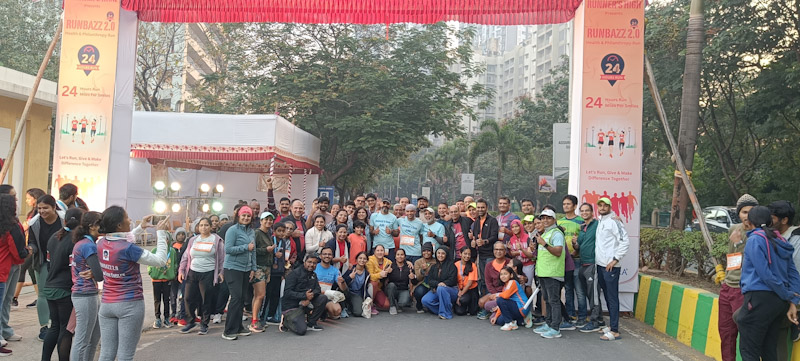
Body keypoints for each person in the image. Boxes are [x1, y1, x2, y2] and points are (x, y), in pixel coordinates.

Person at [97, 207, 169, 361]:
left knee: (106, 353)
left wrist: (140, 227)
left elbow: (121, 238)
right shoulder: (129, 249)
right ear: (118, 225)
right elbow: (160, 261)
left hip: (107, 305)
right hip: (129, 304)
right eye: (127, 218)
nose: (130, 220)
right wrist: (161, 234)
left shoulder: (101, 243)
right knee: (125, 355)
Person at [735, 206, 800, 361]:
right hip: (779, 303)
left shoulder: (755, 240)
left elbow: (765, 274)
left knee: (749, 350)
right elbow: (793, 274)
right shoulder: (781, 240)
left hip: (759, 298)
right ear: (770, 221)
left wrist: (786, 294)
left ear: (750, 222)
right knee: (769, 349)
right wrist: (792, 300)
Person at [714, 194, 757, 361]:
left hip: (744, 289)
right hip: (728, 287)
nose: (747, 216)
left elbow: (754, 260)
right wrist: (725, 277)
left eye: (751, 212)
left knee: (745, 333)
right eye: (744, 212)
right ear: (739, 213)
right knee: (726, 332)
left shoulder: (759, 232)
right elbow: (733, 257)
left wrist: (739, 244)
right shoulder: (734, 229)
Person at [42, 208, 82, 361]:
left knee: (54, 327)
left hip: (50, 286)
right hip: (65, 289)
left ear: (65, 220)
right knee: (66, 330)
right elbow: (75, 268)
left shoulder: (54, 236)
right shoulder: (76, 240)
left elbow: (48, 264)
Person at [28, 195, 63, 341]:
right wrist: (31, 249)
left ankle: (61, 325)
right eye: (39, 208)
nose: (42, 211)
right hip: (42, 261)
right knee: (43, 294)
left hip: (62, 262)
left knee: (62, 293)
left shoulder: (64, 220)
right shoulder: (34, 223)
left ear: (54, 207)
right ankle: (44, 327)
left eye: (46, 208)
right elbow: (33, 242)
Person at [594, 197, 629, 340]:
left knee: (612, 297)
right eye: (600, 205)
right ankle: (611, 326)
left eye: (605, 205)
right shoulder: (601, 221)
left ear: (610, 206)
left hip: (611, 267)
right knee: (607, 296)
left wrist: (615, 259)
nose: (602, 208)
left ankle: (615, 330)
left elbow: (625, 241)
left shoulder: (615, 222)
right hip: (601, 265)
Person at [70, 211, 102, 361]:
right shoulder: (88, 246)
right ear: (93, 226)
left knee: (93, 337)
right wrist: (97, 272)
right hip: (85, 294)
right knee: (82, 340)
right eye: (101, 224)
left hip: (87, 293)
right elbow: (99, 274)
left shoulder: (82, 243)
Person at [222, 206, 257, 340]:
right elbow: (228, 249)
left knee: (242, 298)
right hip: (233, 268)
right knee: (236, 298)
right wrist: (245, 247)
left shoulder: (251, 232)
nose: (246, 218)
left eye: (248, 216)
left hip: (246, 269)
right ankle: (229, 330)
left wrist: (253, 268)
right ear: (238, 216)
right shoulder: (232, 230)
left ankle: (238, 327)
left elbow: (253, 251)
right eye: (243, 216)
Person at [532, 208, 566, 339]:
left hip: (553, 273)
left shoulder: (556, 233)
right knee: (547, 299)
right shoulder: (546, 233)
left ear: (554, 220)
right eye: (543, 218)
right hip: (544, 272)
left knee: (554, 300)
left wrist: (544, 244)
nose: (545, 220)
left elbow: (558, 251)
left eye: (548, 218)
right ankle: (549, 323)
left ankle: (555, 327)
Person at [0, 194, 25, 356]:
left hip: (8, 267)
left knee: (6, 300)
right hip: (5, 268)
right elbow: (15, 249)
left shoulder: (8, 224)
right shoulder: (8, 225)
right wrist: (25, 254)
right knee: (3, 301)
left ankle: (4, 329)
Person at [574, 203, 604, 333]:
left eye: (587, 210)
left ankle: (595, 321)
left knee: (594, 294)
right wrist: (575, 244)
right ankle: (600, 320)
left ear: (592, 212)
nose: (584, 213)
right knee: (589, 293)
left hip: (593, 263)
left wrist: (616, 218)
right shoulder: (582, 227)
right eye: (582, 211)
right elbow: (579, 247)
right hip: (582, 263)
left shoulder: (598, 224)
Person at [281, 254, 327, 334]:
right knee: (301, 331)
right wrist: (304, 296)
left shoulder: (313, 275)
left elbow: (318, 289)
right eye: (309, 262)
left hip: (306, 302)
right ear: (304, 262)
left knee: (322, 298)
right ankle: (286, 321)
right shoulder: (294, 274)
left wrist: (310, 296)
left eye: (314, 263)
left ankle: (311, 323)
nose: (312, 265)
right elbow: (287, 293)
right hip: (292, 305)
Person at [559, 194, 586, 326]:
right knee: (568, 289)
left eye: (568, 204)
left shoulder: (582, 221)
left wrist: (577, 250)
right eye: (564, 204)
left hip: (577, 259)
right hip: (564, 261)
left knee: (579, 290)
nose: (566, 206)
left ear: (575, 206)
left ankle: (582, 316)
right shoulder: (559, 222)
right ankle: (570, 315)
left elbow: (584, 240)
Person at [148, 225, 179, 329]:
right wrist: (151, 273)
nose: (164, 241)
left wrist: (173, 274)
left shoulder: (172, 251)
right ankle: (157, 318)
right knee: (157, 299)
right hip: (156, 279)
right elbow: (150, 264)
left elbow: (174, 264)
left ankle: (166, 318)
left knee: (167, 299)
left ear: (169, 239)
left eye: (166, 239)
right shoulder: (154, 250)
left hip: (167, 279)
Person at [250, 212, 275, 332]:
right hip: (258, 266)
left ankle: (256, 319)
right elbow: (253, 250)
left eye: (270, 220)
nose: (268, 222)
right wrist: (266, 250)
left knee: (258, 295)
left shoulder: (268, 233)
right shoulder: (257, 233)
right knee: (260, 295)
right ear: (261, 221)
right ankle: (254, 321)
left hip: (266, 267)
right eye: (266, 220)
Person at [264, 222, 291, 325]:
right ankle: (263, 315)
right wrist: (274, 254)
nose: (281, 233)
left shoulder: (283, 242)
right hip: (270, 271)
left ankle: (271, 315)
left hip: (279, 272)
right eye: (278, 231)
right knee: (267, 293)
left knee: (276, 294)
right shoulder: (271, 240)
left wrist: (283, 270)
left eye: (283, 231)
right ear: (274, 231)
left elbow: (283, 257)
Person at [421, 246, 458, 319]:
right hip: (437, 289)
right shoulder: (434, 267)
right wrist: (437, 284)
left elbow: (452, 279)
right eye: (438, 253)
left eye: (443, 253)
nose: (440, 255)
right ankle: (445, 309)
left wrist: (444, 283)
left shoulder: (451, 266)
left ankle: (446, 314)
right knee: (425, 300)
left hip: (451, 290)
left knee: (441, 288)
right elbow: (430, 281)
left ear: (446, 255)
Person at [471, 199, 499, 298]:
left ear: (486, 208)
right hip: (480, 254)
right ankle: (484, 302)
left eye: (482, 207)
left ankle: (490, 302)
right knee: (482, 279)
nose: (480, 209)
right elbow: (475, 236)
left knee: (489, 279)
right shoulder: (476, 221)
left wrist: (484, 241)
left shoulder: (492, 220)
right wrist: (473, 241)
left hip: (490, 254)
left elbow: (494, 236)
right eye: (478, 207)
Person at [477, 242, 510, 320]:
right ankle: (493, 310)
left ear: (505, 252)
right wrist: (495, 295)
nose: (498, 252)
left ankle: (497, 310)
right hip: (494, 292)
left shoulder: (509, 263)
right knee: (481, 302)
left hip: (507, 293)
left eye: (501, 250)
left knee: (491, 304)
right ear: (493, 251)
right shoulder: (489, 265)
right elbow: (488, 283)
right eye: (496, 249)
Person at [491, 266, 530, 331]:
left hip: (522, 307)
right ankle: (520, 321)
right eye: (501, 274)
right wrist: (496, 316)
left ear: (511, 275)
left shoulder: (513, 282)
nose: (503, 276)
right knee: (499, 321)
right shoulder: (505, 287)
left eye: (505, 274)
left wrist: (497, 294)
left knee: (500, 299)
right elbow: (502, 304)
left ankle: (510, 323)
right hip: (515, 308)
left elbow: (505, 297)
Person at [314, 247, 347, 319]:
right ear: (320, 256)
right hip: (314, 295)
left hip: (327, 296)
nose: (327, 256)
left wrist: (343, 282)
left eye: (329, 254)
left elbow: (343, 288)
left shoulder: (335, 270)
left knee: (337, 311)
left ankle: (325, 310)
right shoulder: (314, 267)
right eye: (324, 254)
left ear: (332, 256)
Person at [507, 219, 534, 295]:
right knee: (519, 284)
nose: (515, 229)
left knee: (527, 285)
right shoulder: (512, 239)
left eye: (516, 226)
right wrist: (511, 250)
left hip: (528, 264)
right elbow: (512, 254)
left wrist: (518, 252)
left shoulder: (528, 237)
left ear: (521, 227)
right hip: (518, 265)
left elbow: (530, 254)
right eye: (513, 227)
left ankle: (529, 305)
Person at [169, 228, 188, 326]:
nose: (181, 236)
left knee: (182, 296)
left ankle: (181, 314)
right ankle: (173, 314)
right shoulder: (171, 247)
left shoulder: (187, 246)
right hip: (173, 276)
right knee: (173, 296)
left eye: (183, 234)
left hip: (182, 275)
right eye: (179, 234)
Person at [366, 245, 393, 313]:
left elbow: (396, 263)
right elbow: (370, 276)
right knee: (374, 282)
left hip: (379, 288)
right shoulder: (370, 260)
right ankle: (370, 305)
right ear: (374, 252)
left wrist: (407, 262)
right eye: (378, 250)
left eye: (381, 250)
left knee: (387, 305)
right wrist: (380, 274)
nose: (380, 252)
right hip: (370, 286)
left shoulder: (388, 262)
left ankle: (375, 302)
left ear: (384, 252)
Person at [385, 248, 413, 315]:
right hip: (392, 289)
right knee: (391, 285)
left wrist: (413, 277)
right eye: (398, 255)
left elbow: (414, 281)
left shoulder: (409, 266)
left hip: (403, 289)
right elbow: (383, 280)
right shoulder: (390, 265)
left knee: (403, 303)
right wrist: (387, 273)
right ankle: (392, 306)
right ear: (395, 256)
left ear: (405, 256)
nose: (400, 256)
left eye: (402, 255)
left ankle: (399, 303)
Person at [343, 252, 371, 318]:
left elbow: (365, 288)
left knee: (358, 313)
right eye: (360, 258)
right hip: (347, 292)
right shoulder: (351, 269)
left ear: (367, 261)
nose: (362, 260)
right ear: (356, 259)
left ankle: (351, 306)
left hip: (357, 294)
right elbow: (342, 282)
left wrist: (368, 298)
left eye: (364, 259)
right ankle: (346, 305)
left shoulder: (367, 273)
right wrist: (350, 277)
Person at [454, 247, 479, 316]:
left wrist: (460, 296)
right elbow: (454, 280)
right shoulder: (456, 264)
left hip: (470, 290)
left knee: (472, 311)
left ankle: (469, 304)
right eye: (465, 254)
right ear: (460, 254)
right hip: (460, 288)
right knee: (459, 312)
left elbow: (469, 283)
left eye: (469, 254)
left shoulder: (472, 265)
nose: (467, 256)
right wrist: (459, 291)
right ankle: (463, 306)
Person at [412, 243, 436, 313]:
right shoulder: (418, 262)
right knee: (419, 291)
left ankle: (430, 305)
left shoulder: (436, 262)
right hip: (422, 283)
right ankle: (419, 306)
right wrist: (422, 270)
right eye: (424, 251)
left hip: (433, 284)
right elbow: (418, 278)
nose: (426, 253)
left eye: (428, 251)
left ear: (432, 252)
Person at [285, 200, 308, 266]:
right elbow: (278, 235)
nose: (298, 210)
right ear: (291, 208)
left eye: (300, 208)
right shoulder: (285, 220)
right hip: (289, 257)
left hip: (301, 257)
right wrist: (290, 234)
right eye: (296, 208)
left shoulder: (303, 221)